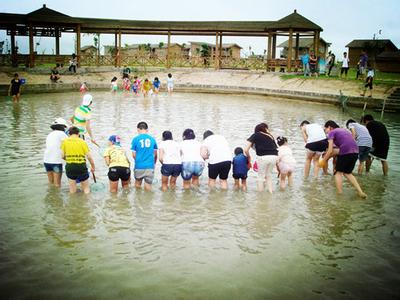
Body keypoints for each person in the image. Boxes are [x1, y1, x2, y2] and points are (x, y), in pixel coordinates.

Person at [322, 121, 367, 198]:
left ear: (330, 127)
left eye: (325, 129)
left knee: (337, 172)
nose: (325, 132)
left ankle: (339, 194)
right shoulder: (344, 130)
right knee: (347, 173)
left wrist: (323, 161)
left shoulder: (331, 132)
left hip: (346, 152)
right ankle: (360, 192)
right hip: (355, 151)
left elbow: (329, 151)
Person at [244, 122, 278, 193]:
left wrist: (249, 156)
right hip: (274, 156)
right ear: (265, 129)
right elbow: (275, 147)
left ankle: (260, 196)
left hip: (263, 157)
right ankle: (270, 193)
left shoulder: (255, 135)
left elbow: (246, 149)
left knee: (260, 177)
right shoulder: (270, 136)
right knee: (268, 175)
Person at [61, 126, 96, 194]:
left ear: (69, 133)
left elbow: (62, 156)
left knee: (72, 190)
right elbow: (89, 156)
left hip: (70, 167)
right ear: (78, 133)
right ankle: (87, 203)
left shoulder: (64, 141)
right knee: (86, 188)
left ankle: (73, 203)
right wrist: (93, 166)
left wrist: (69, 159)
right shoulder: (82, 141)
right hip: (81, 166)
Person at [131, 121, 158, 191]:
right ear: (147, 129)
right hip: (150, 166)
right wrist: (154, 163)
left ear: (138, 129)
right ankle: (148, 201)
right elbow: (155, 154)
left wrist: (138, 161)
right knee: (148, 186)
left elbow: (133, 155)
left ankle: (138, 201)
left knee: (137, 185)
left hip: (139, 166)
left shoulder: (135, 139)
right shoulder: (152, 139)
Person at [43, 118, 68, 187]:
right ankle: (56, 197)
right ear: (62, 126)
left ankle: (51, 195)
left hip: (46, 161)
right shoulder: (62, 134)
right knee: (57, 184)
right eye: (64, 127)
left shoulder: (50, 135)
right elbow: (68, 145)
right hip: (56, 162)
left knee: (51, 183)